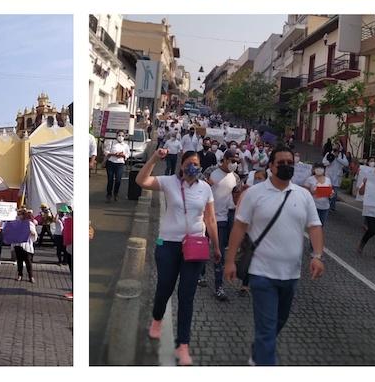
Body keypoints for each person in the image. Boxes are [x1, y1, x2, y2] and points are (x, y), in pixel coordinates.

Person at [223, 145, 323, 366]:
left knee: (278, 322)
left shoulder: (303, 195)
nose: (287, 167)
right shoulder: (254, 194)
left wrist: (317, 255)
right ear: (271, 166)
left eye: (290, 163)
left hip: (291, 275)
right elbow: (239, 227)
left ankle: (259, 350)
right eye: (282, 163)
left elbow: (315, 226)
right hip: (261, 274)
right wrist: (229, 260)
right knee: (267, 328)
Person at [136, 149, 220, 366]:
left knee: (187, 295)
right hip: (168, 245)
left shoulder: (205, 189)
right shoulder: (169, 182)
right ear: (182, 165)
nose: (193, 166)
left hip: (195, 246)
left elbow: (210, 219)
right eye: (189, 163)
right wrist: (155, 158)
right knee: (164, 287)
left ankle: (183, 345)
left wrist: (217, 247)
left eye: (196, 163)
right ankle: (157, 319)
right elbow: (141, 180)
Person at [205, 149, 242, 301]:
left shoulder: (236, 177)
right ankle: (200, 275)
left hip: (223, 220)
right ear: (225, 159)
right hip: (207, 217)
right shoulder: (211, 171)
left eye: (237, 162)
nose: (235, 164)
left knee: (219, 252)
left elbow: (236, 197)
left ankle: (218, 286)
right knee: (203, 248)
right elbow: (198, 185)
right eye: (232, 160)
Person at [303, 162, 333, 229]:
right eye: (317, 168)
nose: (319, 169)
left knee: (321, 226)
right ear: (314, 169)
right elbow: (305, 193)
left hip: (325, 207)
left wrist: (331, 194)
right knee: (314, 226)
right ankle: (313, 239)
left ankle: (317, 238)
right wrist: (313, 192)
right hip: (314, 206)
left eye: (321, 168)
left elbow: (330, 191)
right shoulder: (310, 179)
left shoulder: (328, 179)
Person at [321, 144, 349, 213]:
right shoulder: (329, 154)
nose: (335, 149)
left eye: (337, 148)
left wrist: (337, 158)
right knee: (327, 192)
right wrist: (330, 161)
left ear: (339, 149)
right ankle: (325, 206)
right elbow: (324, 163)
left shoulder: (342, 156)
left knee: (334, 193)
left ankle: (332, 207)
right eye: (334, 148)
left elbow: (346, 164)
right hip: (329, 176)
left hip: (337, 177)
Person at [105, 132, 129, 201]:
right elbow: (106, 152)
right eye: (119, 135)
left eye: (122, 136)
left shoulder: (125, 145)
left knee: (118, 180)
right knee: (110, 180)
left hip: (120, 164)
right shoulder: (112, 142)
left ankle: (116, 193)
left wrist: (122, 155)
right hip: (111, 163)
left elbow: (127, 155)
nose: (120, 137)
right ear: (116, 136)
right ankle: (109, 194)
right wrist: (114, 154)